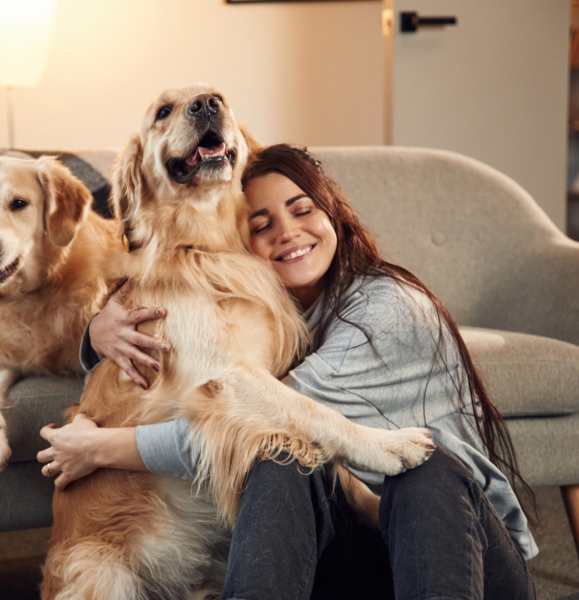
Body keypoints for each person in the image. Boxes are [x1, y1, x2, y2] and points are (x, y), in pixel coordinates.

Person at [37, 144, 538, 599]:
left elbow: (249, 418)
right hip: (364, 553)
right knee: (281, 458)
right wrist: (98, 332)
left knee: (420, 470)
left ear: (335, 216)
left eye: (303, 210)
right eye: (261, 224)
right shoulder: (281, 311)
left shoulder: (388, 310)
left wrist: (100, 448)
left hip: (463, 555)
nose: (288, 233)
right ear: (239, 238)